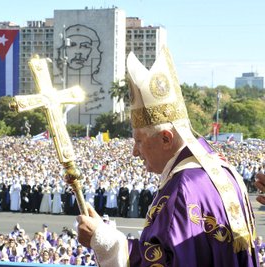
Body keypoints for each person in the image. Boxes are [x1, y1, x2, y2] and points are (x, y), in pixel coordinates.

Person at [76, 46, 258, 266]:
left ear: (166, 139)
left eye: (139, 141)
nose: (135, 151)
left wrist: (104, 240)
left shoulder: (182, 188)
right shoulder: (224, 170)